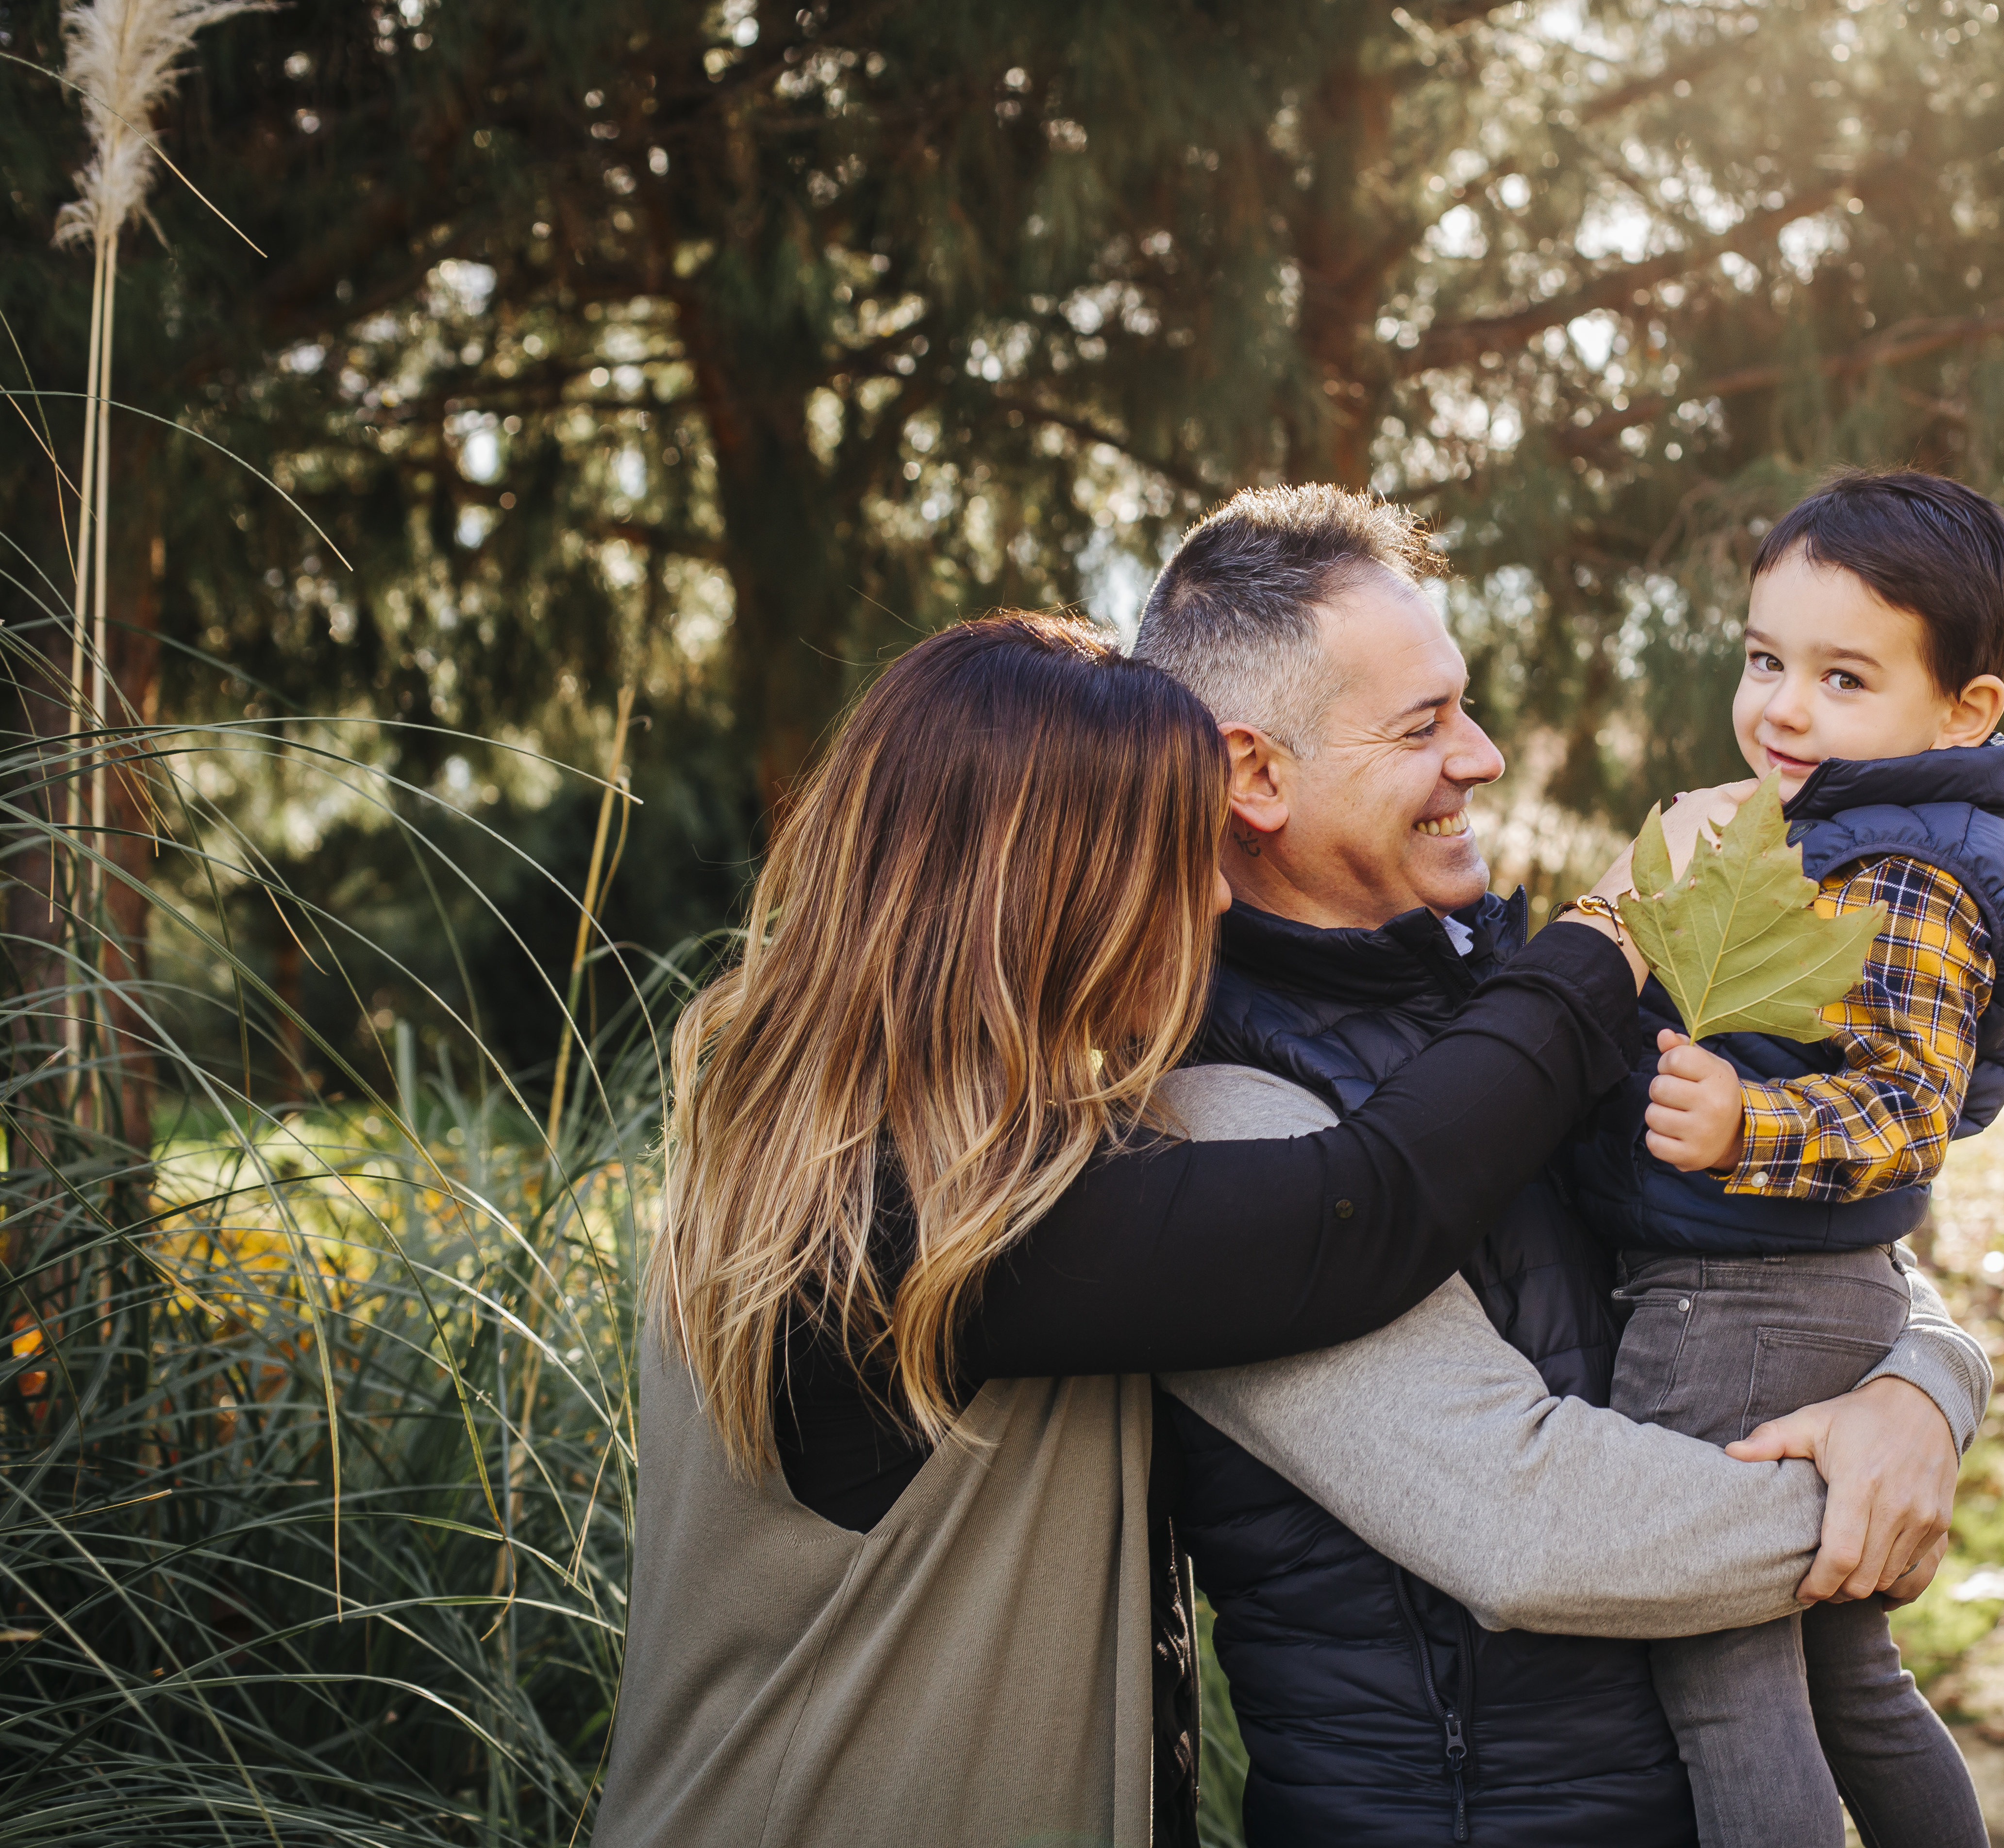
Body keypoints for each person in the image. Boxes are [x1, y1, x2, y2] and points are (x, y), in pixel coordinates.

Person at [597, 612, 1908, 1848]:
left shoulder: (861, 1150)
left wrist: (1924, 1385)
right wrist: (1614, 927)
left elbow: (1762, 1253)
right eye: (1171, 861)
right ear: (1039, 891)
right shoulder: (913, 1210)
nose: (1212, 903)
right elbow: (1369, 1215)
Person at [1130, 486, 1997, 1843]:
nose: (1481, 756)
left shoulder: (1522, 986)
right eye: (1423, 726)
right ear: (1256, 775)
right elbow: (1528, 1522)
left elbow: (1789, 1229)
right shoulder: (1219, 1114)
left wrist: (1924, 1389)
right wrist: (1858, 1504)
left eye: (1463, 705)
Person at [1570, 467, 2004, 1847]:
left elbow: (1908, 1111)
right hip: (1804, 1291)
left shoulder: (1908, 873)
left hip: (1741, 1309)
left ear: (1964, 712)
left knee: (1723, 1671)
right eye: (1767, 660)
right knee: (1848, 1671)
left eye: (1845, 678)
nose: (1785, 706)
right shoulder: (1822, 836)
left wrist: (1744, 1126)